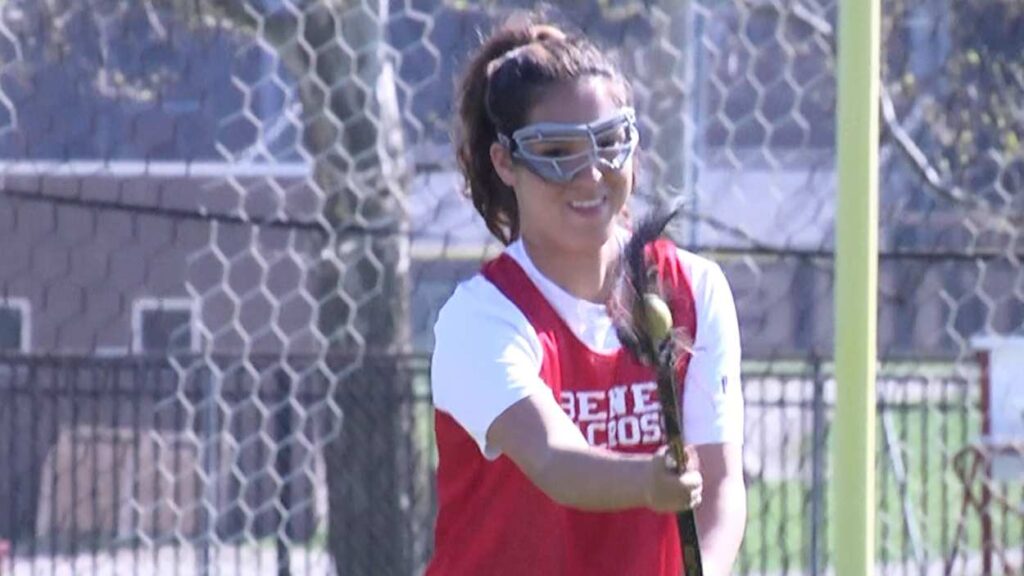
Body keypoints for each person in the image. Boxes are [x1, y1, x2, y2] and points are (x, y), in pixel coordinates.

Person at [427, 16, 745, 576]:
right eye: (557, 150)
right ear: (505, 162)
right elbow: (555, 460)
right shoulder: (480, 320)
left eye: (609, 143)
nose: (592, 175)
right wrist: (647, 482)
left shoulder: (693, 290)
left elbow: (720, 484)